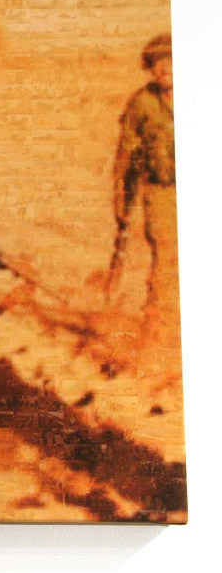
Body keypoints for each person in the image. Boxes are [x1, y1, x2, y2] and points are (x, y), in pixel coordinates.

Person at [112, 34, 177, 344]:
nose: (164, 68)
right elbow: (125, 154)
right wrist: (120, 198)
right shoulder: (142, 103)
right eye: (157, 63)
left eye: (171, 60)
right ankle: (157, 332)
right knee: (167, 259)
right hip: (162, 192)